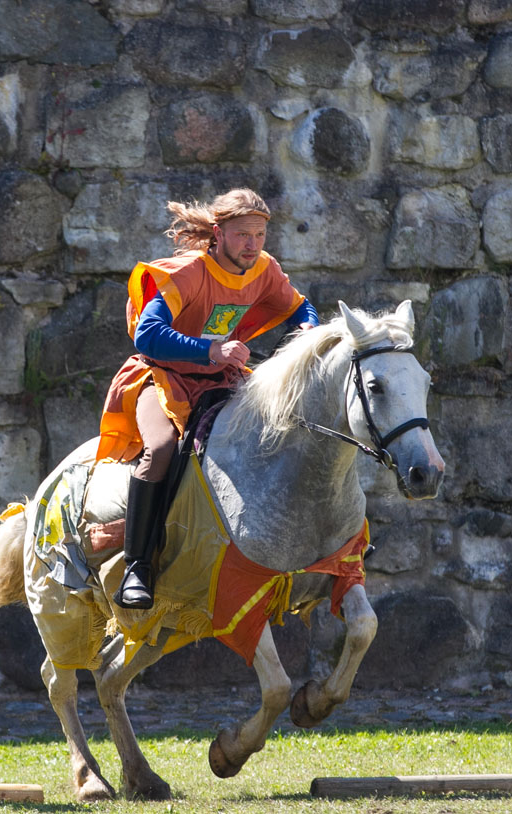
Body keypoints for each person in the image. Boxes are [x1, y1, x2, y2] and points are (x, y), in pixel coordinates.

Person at [97, 188, 318, 610]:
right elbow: (147, 334)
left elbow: (301, 307)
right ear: (218, 234)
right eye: (242, 235)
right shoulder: (188, 273)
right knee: (161, 448)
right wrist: (211, 349)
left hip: (221, 378)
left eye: (259, 235)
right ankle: (137, 567)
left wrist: (309, 329)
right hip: (161, 377)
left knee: (286, 425)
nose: (252, 245)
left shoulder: (264, 269)